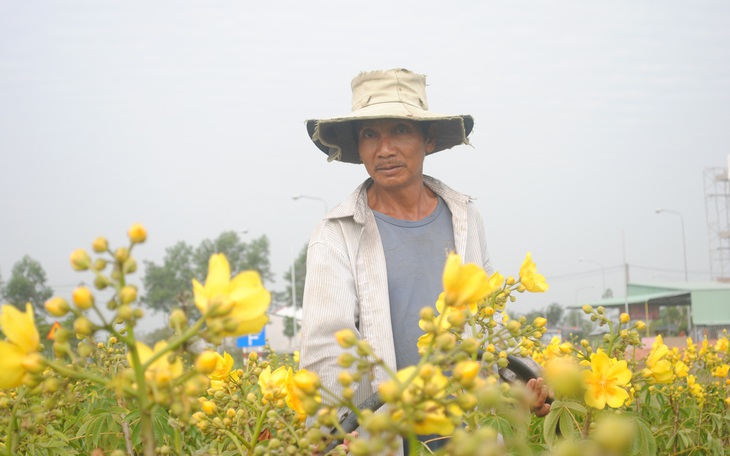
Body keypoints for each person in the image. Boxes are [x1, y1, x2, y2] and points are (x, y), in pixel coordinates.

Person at [299, 68, 549, 452]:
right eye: (370, 134)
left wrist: (517, 383)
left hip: (469, 432)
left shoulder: (464, 216)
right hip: (381, 439)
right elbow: (325, 348)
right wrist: (327, 433)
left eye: (399, 130)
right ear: (359, 146)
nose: (384, 149)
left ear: (428, 139)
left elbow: (486, 322)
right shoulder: (337, 233)